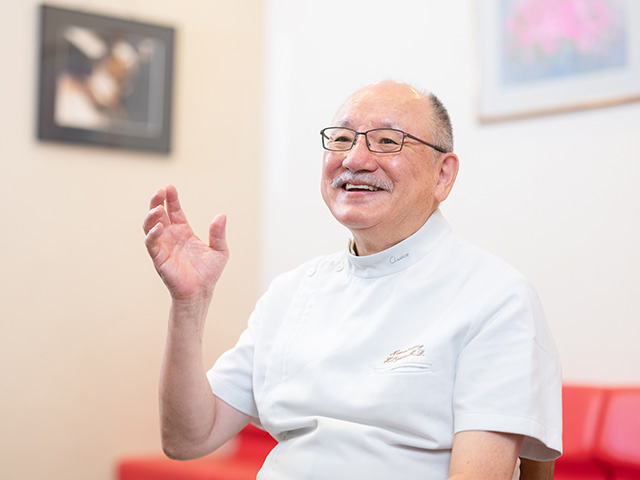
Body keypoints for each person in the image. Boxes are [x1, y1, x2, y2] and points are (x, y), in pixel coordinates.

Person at [143, 80, 562, 480]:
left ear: (443, 175)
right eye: (342, 139)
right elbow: (188, 438)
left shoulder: (495, 295)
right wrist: (189, 304)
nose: (354, 159)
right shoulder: (292, 292)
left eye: (387, 141)